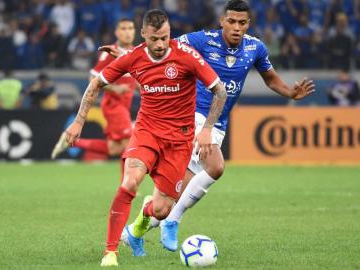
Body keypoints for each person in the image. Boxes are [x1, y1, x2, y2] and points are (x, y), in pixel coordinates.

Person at [120, 0, 315, 253]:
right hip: (192, 117)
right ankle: (173, 221)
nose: (236, 27)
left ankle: (134, 231)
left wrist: (289, 92)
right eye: (231, 21)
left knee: (171, 198)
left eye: (242, 23)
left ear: (248, 24)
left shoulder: (256, 48)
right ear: (222, 21)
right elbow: (164, 44)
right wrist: (130, 57)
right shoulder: (203, 40)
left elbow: (269, 77)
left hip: (218, 123)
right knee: (216, 166)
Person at [63, 9, 227, 266]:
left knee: (162, 210)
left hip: (179, 141)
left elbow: (220, 90)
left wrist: (206, 129)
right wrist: (78, 122)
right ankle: (110, 252)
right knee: (130, 182)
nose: (160, 44)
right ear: (144, 35)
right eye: (154, 39)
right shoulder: (134, 57)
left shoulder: (187, 57)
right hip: (147, 132)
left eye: (165, 37)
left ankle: (138, 228)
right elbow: (95, 84)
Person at [51, 18, 137, 165]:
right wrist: (114, 88)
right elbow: (93, 78)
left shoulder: (135, 52)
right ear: (116, 32)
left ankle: (71, 141)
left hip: (124, 105)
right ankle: (127, 188)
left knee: (115, 149)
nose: (127, 32)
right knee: (129, 144)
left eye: (130, 28)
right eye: (123, 29)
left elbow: (134, 77)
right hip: (114, 105)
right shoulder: (110, 52)